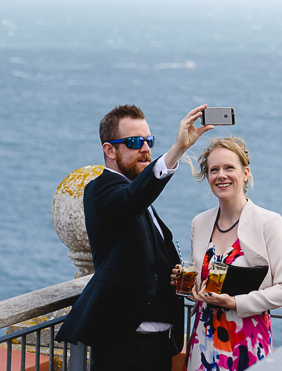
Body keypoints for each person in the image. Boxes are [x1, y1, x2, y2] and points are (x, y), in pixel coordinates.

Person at [56, 103, 213, 371]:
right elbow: (129, 201)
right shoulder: (101, 190)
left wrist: (173, 274)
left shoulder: (138, 194)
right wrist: (178, 149)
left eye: (148, 140)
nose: (145, 148)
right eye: (133, 141)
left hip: (159, 346)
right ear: (109, 149)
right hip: (125, 348)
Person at [180, 137, 282, 371]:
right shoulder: (200, 222)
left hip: (247, 342)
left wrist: (236, 302)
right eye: (214, 170)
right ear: (207, 178)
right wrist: (186, 285)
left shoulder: (269, 222)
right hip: (203, 339)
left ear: (245, 173)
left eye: (229, 168)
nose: (221, 175)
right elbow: (199, 288)